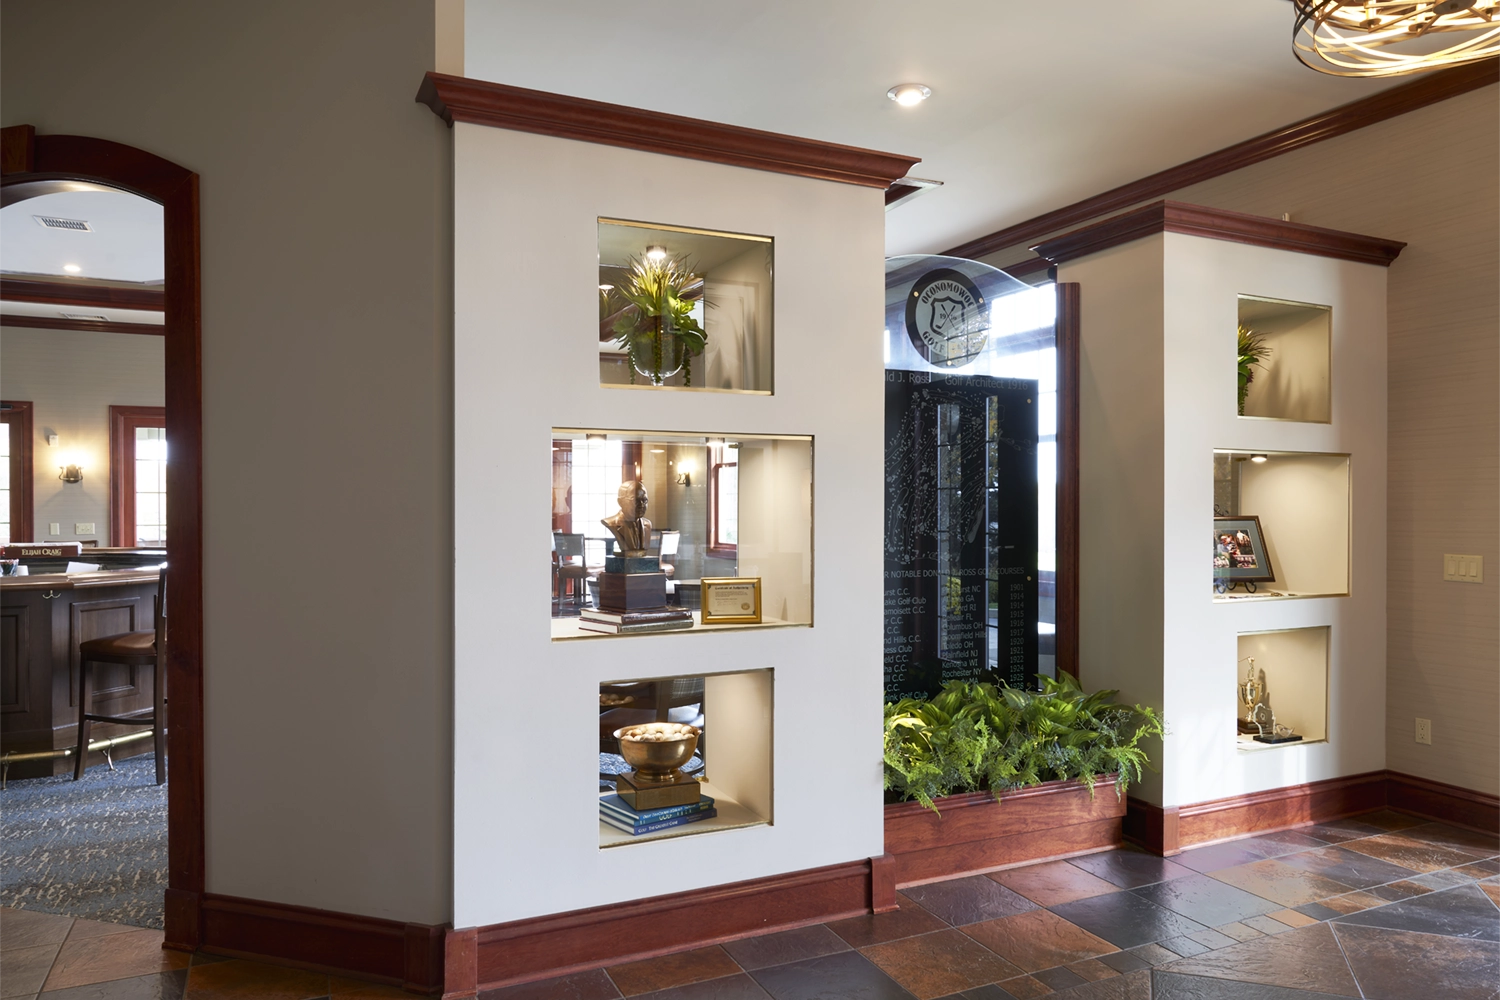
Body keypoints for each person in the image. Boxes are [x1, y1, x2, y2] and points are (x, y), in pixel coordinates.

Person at [602, 481, 652, 556]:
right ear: (620, 502)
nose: (641, 505)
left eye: (645, 500)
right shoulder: (612, 523)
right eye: (636, 500)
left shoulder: (647, 525)